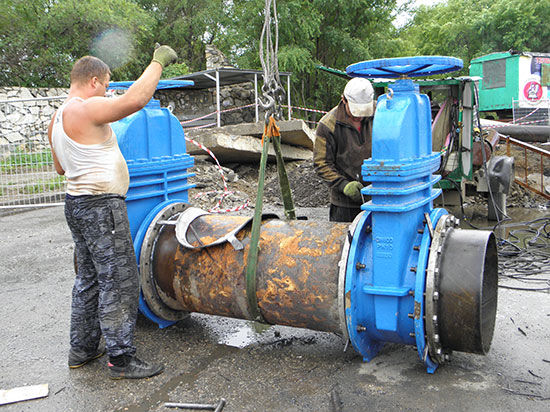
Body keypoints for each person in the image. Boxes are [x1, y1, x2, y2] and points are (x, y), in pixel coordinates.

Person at [47, 45, 178, 379]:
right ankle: (121, 359)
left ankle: (83, 348)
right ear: (93, 81)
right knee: (118, 280)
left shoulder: (58, 118)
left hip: (76, 205)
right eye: (105, 86)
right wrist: (158, 62)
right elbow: (134, 101)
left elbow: (60, 168)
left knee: (89, 278)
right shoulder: (85, 108)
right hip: (100, 206)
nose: (106, 92)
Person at [313, 77, 375, 222]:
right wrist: (343, 185)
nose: (359, 116)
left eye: (363, 111)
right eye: (355, 111)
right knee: (343, 243)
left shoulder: (380, 114)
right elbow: (321, 163)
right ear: (344, 100)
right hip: (344, 205)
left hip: (377, 198)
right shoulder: (328, 125)